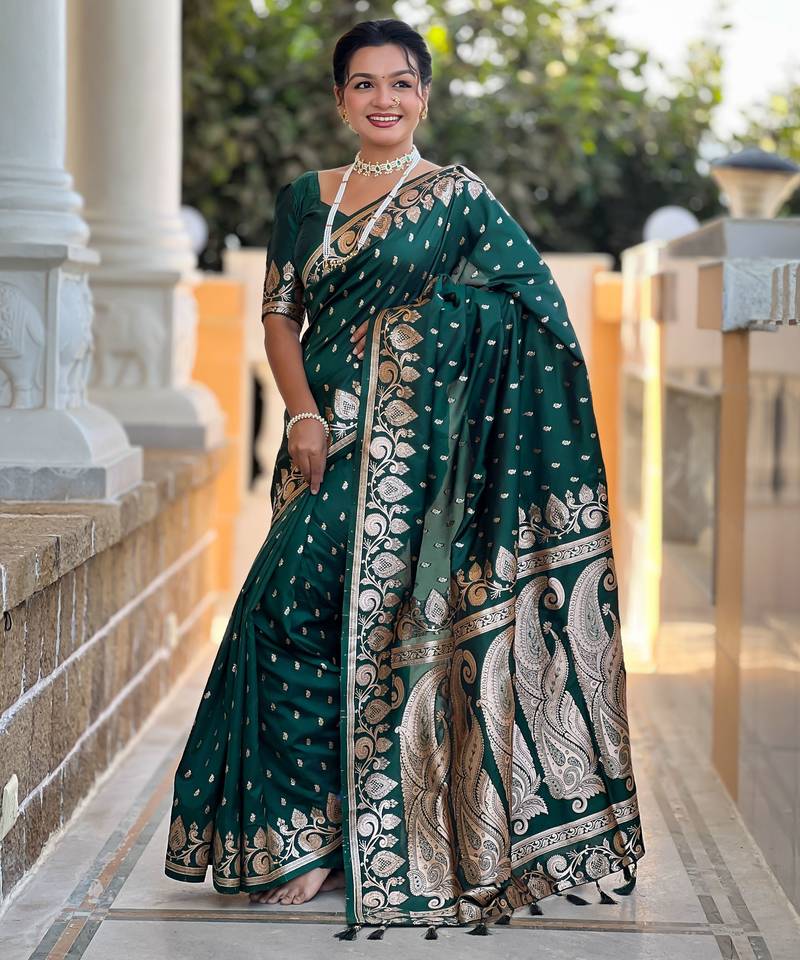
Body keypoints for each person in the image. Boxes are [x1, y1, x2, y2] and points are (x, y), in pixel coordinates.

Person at [164, 17, 645, 937]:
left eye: (400, 84)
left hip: (417, 461)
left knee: (380, 632)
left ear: (422, 97)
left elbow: (532, 311)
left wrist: (425, 334)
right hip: (323, 444)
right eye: (364, 83)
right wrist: (303, 413)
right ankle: (304, 831)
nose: (382, 99)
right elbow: (280, 316)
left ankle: (348, 842)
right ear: (340, 99)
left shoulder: (460, 200)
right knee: (280, 613)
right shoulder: (303, 199)